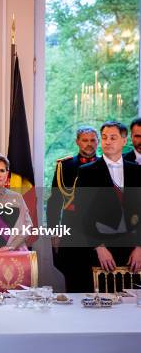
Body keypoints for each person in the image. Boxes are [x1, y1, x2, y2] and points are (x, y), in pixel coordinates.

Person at [74, 121, 141, 291]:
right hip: (100, 251)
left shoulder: (137, 171)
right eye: (104, 137)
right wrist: (99, 247)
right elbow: (82, 215)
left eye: (113, 137)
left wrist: (139, 247)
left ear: (124, 140)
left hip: (133, 251)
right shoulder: (86, 171)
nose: (107, 141)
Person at [46, 126, 98, 292]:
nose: (89, 144)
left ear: (97, 142)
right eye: (85, 140)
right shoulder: (65, 167)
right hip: (71, 232)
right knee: (74, 281)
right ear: (77, 142)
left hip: (99, 234)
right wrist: (54, 232)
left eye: (92, 140)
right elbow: (54, 202)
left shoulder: (106, 166)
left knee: (98, 282)